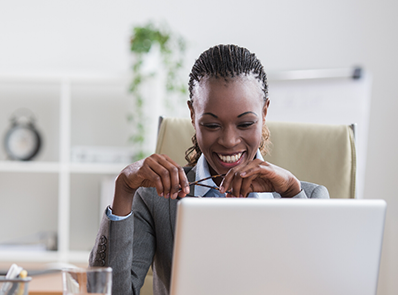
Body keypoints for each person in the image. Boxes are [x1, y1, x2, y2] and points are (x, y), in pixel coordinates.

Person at [89, 44, 330, 295]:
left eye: (245, 123)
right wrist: (124, 188)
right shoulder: (154, 199)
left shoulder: (309, 198)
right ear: (193, 115)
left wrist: (293, 194)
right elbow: (108, 293)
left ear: (265, 112)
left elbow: (322, 286)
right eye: (212, 124)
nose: (229, 140)